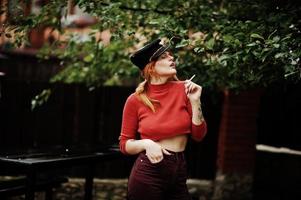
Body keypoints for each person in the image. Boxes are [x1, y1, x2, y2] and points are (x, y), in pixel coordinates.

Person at [119, 38, 207, 200]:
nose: (171, 58)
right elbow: (125, 145)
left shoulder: (186, 90)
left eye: (171, 55)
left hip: (179, 169)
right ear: (151, 68)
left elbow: (198, 135)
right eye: (164, 57)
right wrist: (147, 143)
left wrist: (196, 102)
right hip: (149, 171)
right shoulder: (135, 100)